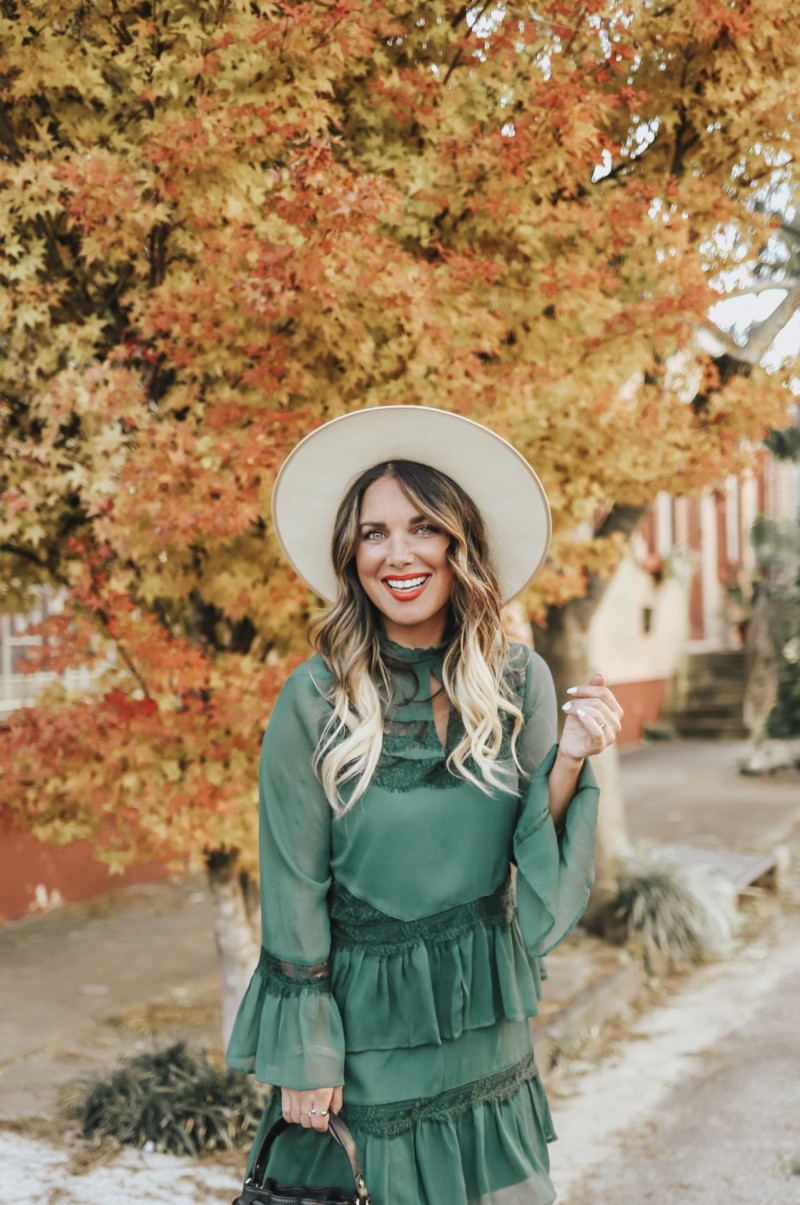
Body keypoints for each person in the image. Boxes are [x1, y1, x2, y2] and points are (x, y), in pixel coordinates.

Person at [225, 406, 623, 1204]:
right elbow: (293, 884)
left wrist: (571, 757)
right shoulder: (312, 699)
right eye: (373, 533)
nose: (397, 553)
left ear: (459, 544)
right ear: (351, 553)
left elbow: (538, 879)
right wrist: (306, 1055)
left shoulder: (519, 680)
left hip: (486, 1033)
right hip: (361, 1046)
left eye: (422, 527)